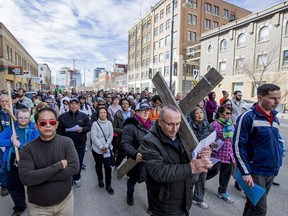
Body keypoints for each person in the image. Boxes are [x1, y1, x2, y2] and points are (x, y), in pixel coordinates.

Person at [142, 105, 213, 216]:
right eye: (170, 124)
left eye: (178, 124)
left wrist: (203, 154)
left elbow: (192, 155)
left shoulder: (183, 135)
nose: (175, 129)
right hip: (164, 203)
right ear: (160, 122)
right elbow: (159, 172)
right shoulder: (149, 141)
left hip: (185, 197)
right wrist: (191, 168)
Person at [18, 107, 79, 216]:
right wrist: (59, 165)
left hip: (66, 203)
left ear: (56, 124)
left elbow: (74, 167)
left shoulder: (67, 142)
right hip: (38, 209)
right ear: (36, 126)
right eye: (42, 122)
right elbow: (26, 178)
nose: (47, 125)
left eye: (51, 121)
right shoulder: (27, 149)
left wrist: (41, 176)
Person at [233, 84, 282, 216]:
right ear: (260, 97)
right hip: (255, 171)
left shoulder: (275, 118)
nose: (277, 102)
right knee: (260, 210)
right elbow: (238, 146)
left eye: (279, 98)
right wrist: (245, 172)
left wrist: (278, 162)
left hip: (270, 171)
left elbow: (276, 142)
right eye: (273, 98)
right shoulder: (248, 117)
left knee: (252, 204)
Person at [0, 108, 39, 216]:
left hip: (29, 161)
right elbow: (0, 139)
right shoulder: (11, 128)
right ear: (17, 117)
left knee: (34, 184)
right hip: (11, 162)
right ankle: (19, 206)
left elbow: (36, 146)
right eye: (20, 117)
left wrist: (20, 145)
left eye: (25, 118)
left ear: (29, 117)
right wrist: (10, 141)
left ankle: (37, 204)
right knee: (14, 186)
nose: (22, 120)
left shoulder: (34, 129)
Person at [121, 101, 153, 206]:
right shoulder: (129, 126)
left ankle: (152, 205)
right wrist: (134, 154)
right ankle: (129, 195)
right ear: (137, 112)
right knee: (132, 180)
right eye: (143, 110)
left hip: (151, 161)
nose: (146, 112)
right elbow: (125, 143)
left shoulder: (153, 125)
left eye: (148, 110)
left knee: (152, 185)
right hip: (136, 161)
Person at [57, 98, 91, 188]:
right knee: (67, 163)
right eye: (71, 103)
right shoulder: (62, 117)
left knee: (78, 162)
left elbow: (89, 126)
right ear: (68, 105)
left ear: (79, 106)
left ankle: (77, 177)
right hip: (66, 146)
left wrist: (82, 129)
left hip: (80, 145)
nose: (73, 105)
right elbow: (58, 131)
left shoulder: (84, 116)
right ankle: (68, 180)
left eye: (76, 104)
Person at [207, 105, 235, 203]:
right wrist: (211, 143)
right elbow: (208, 137)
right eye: (227, 113)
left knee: (226, 174)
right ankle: (198, 182)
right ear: (220, 113)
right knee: (212, 171)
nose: (229, 115)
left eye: (230, 113)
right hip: (217, 154)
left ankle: (222, 192)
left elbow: (233, 139)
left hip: (229, 154)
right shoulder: (214, 124)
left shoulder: (231, 124)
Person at [189, 106, 214, 209]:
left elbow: (212, 137)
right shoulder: (189, 127)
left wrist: (213, 144)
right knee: (192, 178)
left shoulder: (207, 125)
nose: (200, 115)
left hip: (204, 156)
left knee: (202, 178)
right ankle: (186, 197)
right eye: (197, 113)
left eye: (201, 113)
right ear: (192, 115)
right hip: (193, 157)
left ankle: (198, 198)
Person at [91, 107, 114, 195]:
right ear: (98, 114)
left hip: (107, 150)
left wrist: (106, 146)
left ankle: (108, 185)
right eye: (101, 113)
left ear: (107, 114)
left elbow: (111, 135)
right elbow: (93, 137)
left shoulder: (109, 123)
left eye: (104, 112)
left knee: (108, 167)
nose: (103, 114)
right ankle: (100, 179)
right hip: (97, 150)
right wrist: (101, 146)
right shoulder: (95, 124)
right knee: (98, 165)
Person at [112, 98, 135, 173]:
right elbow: (113, 128)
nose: (125, 105)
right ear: (120, 105)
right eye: (123, 104)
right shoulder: (118, 114)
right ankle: (116, 166)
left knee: (130, 156)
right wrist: (122, 131)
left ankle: (129, 172)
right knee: (121, 155)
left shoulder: (133, 113)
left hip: (132, 138)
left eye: (126, 103)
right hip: (121, 138)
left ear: (129, 105)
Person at [0, 94, 11, 197]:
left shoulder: (14, 113)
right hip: (1, 144)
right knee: (2, 166)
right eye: (2, 101)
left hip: (12, 143)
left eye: (6, 101)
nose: (4, 103)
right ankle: (4, 185)